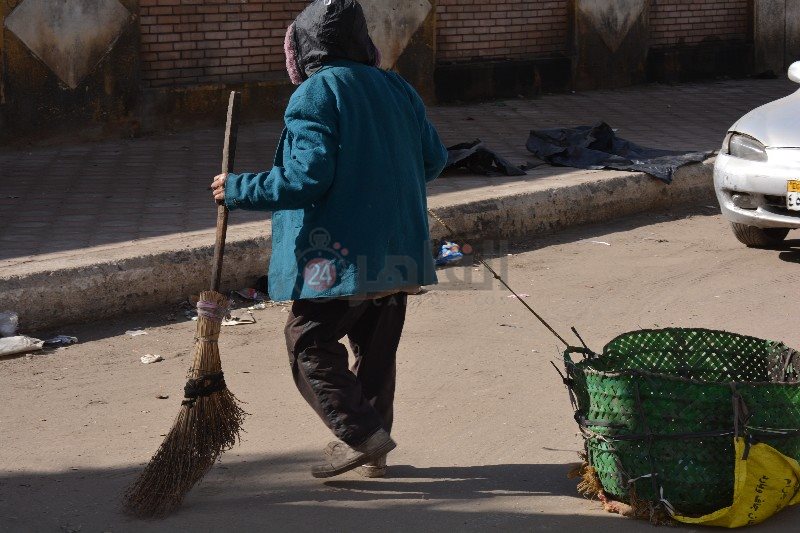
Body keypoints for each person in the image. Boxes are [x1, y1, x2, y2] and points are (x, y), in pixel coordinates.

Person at [210, 0, 447, 479]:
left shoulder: (317, 92)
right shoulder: (397, 87)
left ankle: (361, 434)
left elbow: (306, 178)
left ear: (302, 49)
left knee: (308, 344)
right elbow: (434, 159)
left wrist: (238, 188)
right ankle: (373, 446)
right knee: (375, 354)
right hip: (397, 250)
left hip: (340, 256)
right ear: (363, 43)